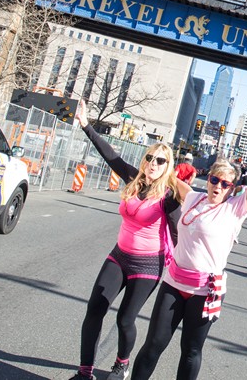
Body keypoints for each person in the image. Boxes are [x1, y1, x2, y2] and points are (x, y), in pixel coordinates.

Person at [129, 132, 247, 380]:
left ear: (231, 188)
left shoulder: (235, 208)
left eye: (225, 184)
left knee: (191, 350)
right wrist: (155, 159)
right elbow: (165, 174)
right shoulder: (193, 198)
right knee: (153, 345)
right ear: (209, 179)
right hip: (173, 283)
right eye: (215, 180)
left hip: (205, 290)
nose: (218, 186)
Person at [69, 106, 188, 380]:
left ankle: (122, 365)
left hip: (147, 265)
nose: (153, 164)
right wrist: (86, 125)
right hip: (119, 256)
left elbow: (180, 233)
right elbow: (111, 156)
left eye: (160, 161)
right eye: (150, 158)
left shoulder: (169, 197)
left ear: (166, 167)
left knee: (125, 319)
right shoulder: (134, 180)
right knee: (95, 308)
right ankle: (85, 372)